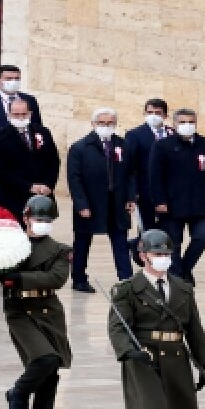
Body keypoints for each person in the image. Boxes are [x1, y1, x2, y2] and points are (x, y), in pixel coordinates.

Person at [109, 229, 205, 409]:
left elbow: (194, 329)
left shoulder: (182, 288)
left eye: (167, 254)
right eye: (157, 254)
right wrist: (130, 352)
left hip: (175, 357)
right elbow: (118, 328)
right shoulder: (128, 289)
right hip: (144, 357)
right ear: (143, 256)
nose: (163, 259)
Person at [0, 195, 72, 409]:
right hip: (19, 310)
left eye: (47, 220)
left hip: (48, 310)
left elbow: (56, 278)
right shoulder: (10, 245)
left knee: (51, 374)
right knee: (45, 359)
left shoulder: (60, 250)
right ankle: (18, 394)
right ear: (25, 218)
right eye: (37, 219)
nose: (42, 224)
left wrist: (19, 277)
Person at [148, 108, 205, 286]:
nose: (187, 126)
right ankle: (178, 277)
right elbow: (155, 176)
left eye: (191, 122)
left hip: (200, 203)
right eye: (182, 122)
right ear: (174, 124)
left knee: (203, 235)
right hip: (172, 204)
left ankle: (185, 268)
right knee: (174, 242)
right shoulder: (163, 145)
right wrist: (159, 201)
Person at [67, 107, 136, 292]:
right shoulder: (80, 147)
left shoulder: (123, 145)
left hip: (117, 202)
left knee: (120, 240)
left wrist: (131, 197)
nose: (106, 126)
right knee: (83, 240)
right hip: (91, 202)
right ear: (93, 124)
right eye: (102, 123)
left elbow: (131, 174)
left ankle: (126, 278)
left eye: (110, 123)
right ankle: (79, 278)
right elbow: (74, 178)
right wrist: (81, 204)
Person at [0, 98, 60, 223]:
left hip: (42, 199)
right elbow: (0, 171)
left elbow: (53, 161)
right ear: (9, 115)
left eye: (24, 114)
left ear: (30, 114)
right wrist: (29, 187)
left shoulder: (43, 132)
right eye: (16, 114)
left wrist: (48, 184)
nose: (21, 117)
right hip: (14, 199)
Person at [124, 98, 171, 266]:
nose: (153, 116)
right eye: (150, 112)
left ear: (165, 115)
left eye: (157, 113)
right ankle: (147, 258)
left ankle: (139, 247)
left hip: (169, 191)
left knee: (167, 228)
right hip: (144, 191)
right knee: (148, 228)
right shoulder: (135, 135)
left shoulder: (172, 134)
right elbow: (129, 166)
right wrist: (132, 192)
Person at [0, 65, 43, 133]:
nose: (13, 82)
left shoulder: (30, 100)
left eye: (17, 79)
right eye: (9, 79)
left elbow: (38, 127)